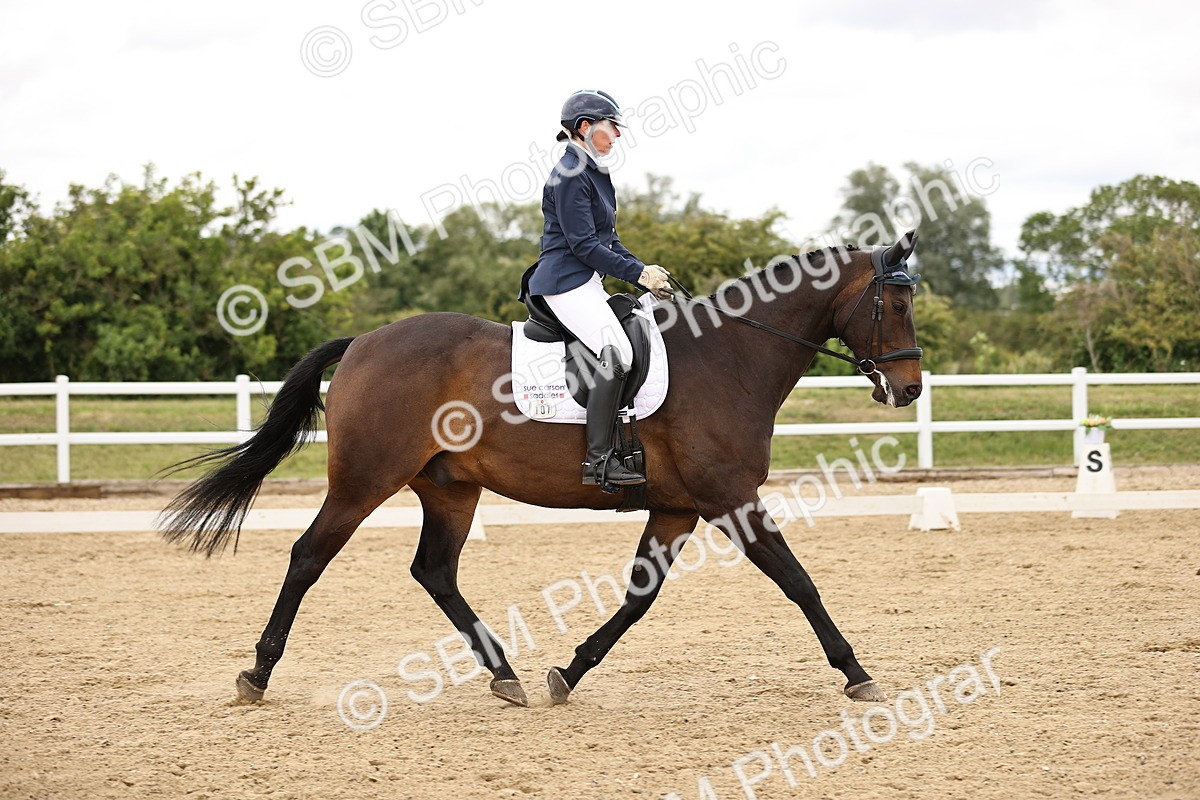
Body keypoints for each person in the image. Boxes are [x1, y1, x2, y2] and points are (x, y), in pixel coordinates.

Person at [526, 89, 673, 488]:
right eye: (613, 126)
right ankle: (599, 461)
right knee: (618, 352)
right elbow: (584, 246)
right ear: (585, 127)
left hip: (585, 281)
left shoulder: (594, 172)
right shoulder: (571, 173)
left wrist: (646, 271)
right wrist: (637, 275)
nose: (619, 134)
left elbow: (609, 240)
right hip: (565, 282)